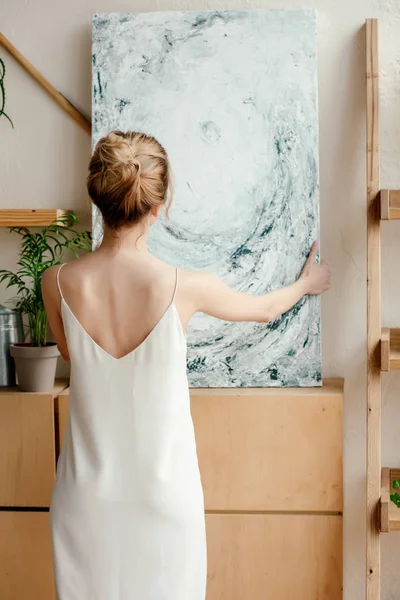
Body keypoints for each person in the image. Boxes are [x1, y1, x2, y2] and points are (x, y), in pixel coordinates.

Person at [41, 130, 330, 600]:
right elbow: (263, 310)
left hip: (84, 500)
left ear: (99, 199)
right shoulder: (186, 286)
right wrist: (306, 283)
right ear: (161, 207)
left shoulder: (55, 283)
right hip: (165, 500)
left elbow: (73, 354)